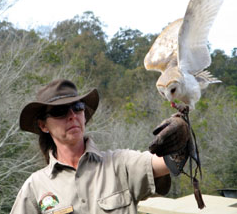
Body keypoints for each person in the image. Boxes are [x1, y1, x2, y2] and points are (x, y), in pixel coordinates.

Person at [10, 79, 190, 214]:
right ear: (43, 125)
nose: (72, 115)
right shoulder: (35, 188)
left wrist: (183, 134)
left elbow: (169, 162)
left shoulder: (120, 164)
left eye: (78, 107)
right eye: (59, 111)